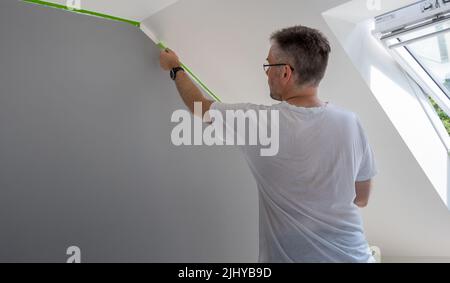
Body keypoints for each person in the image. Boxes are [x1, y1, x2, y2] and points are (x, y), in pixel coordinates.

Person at [159, 25, 377, 263]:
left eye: (269, 65)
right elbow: (362, 198)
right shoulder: (350, 122)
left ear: (285, 73)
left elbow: (199, 105)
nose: (266, 73)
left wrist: (174, 67)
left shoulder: (261, 124)